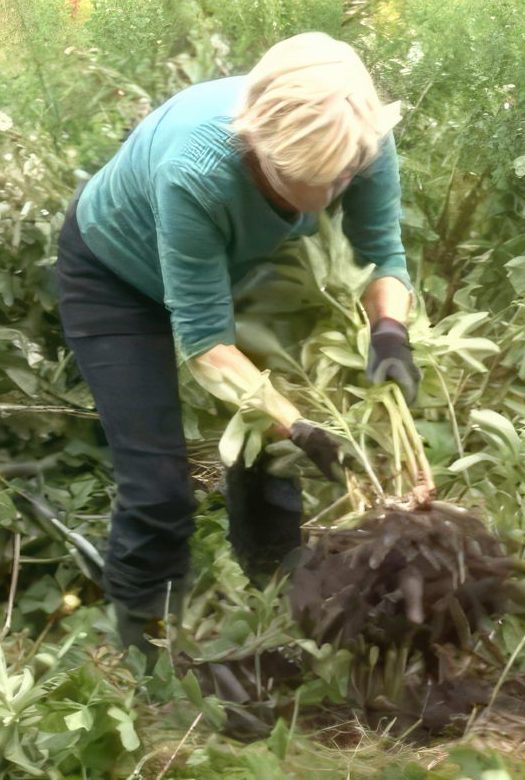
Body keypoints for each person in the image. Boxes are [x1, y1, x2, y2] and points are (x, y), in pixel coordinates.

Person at [55, 32, 421, 657]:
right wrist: (302, 428)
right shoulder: (197, 171)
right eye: (324, 180)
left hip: (234, 266)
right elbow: (206, 345)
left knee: (268, 465)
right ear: (266, 154)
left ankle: (278, 614)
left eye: (346, 175)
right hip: (115, 275)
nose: (339, 189)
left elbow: (381, 253)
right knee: (158, 485)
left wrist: (391, 329)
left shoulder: (356, 133)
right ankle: (146, 649)